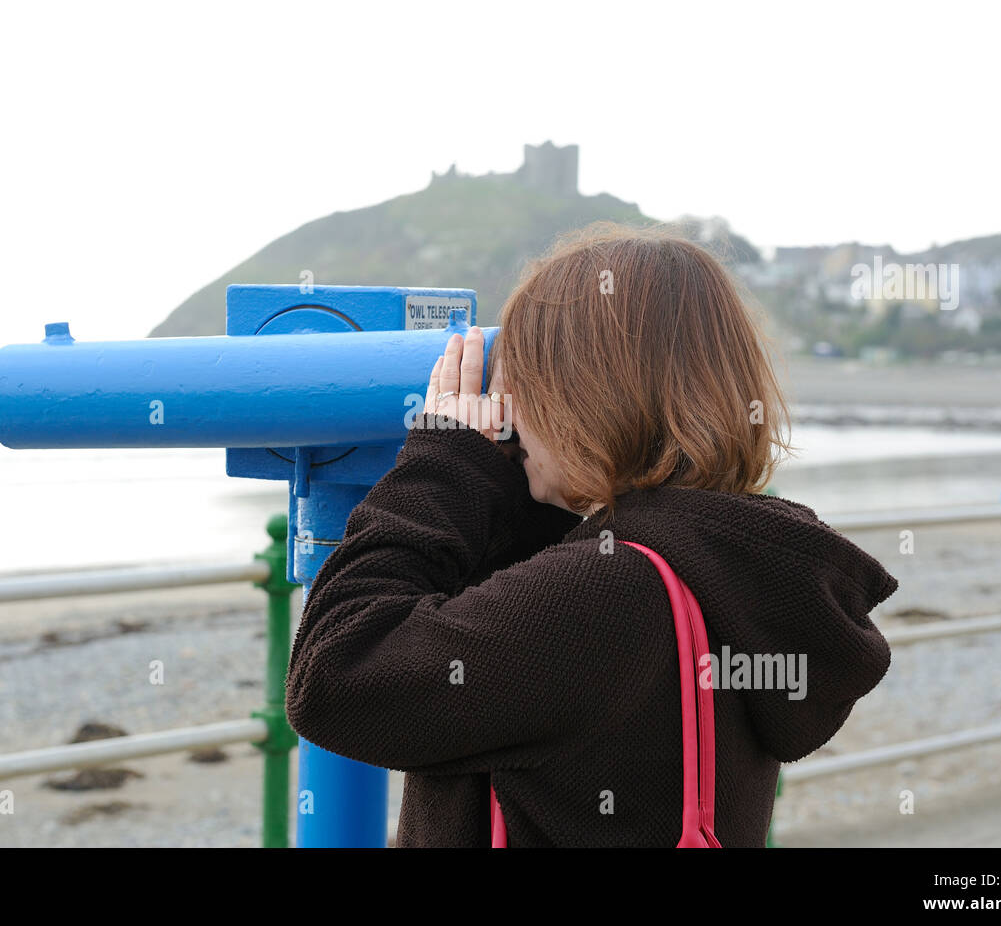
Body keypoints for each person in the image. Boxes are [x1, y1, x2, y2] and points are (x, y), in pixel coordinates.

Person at [285, 221, 898, 847]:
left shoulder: (609, 594)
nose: (511, 413)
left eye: (519, 383)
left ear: (578, 394)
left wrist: (443, 467)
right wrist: (528, 497)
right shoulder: (731, 564)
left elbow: (335, 681)